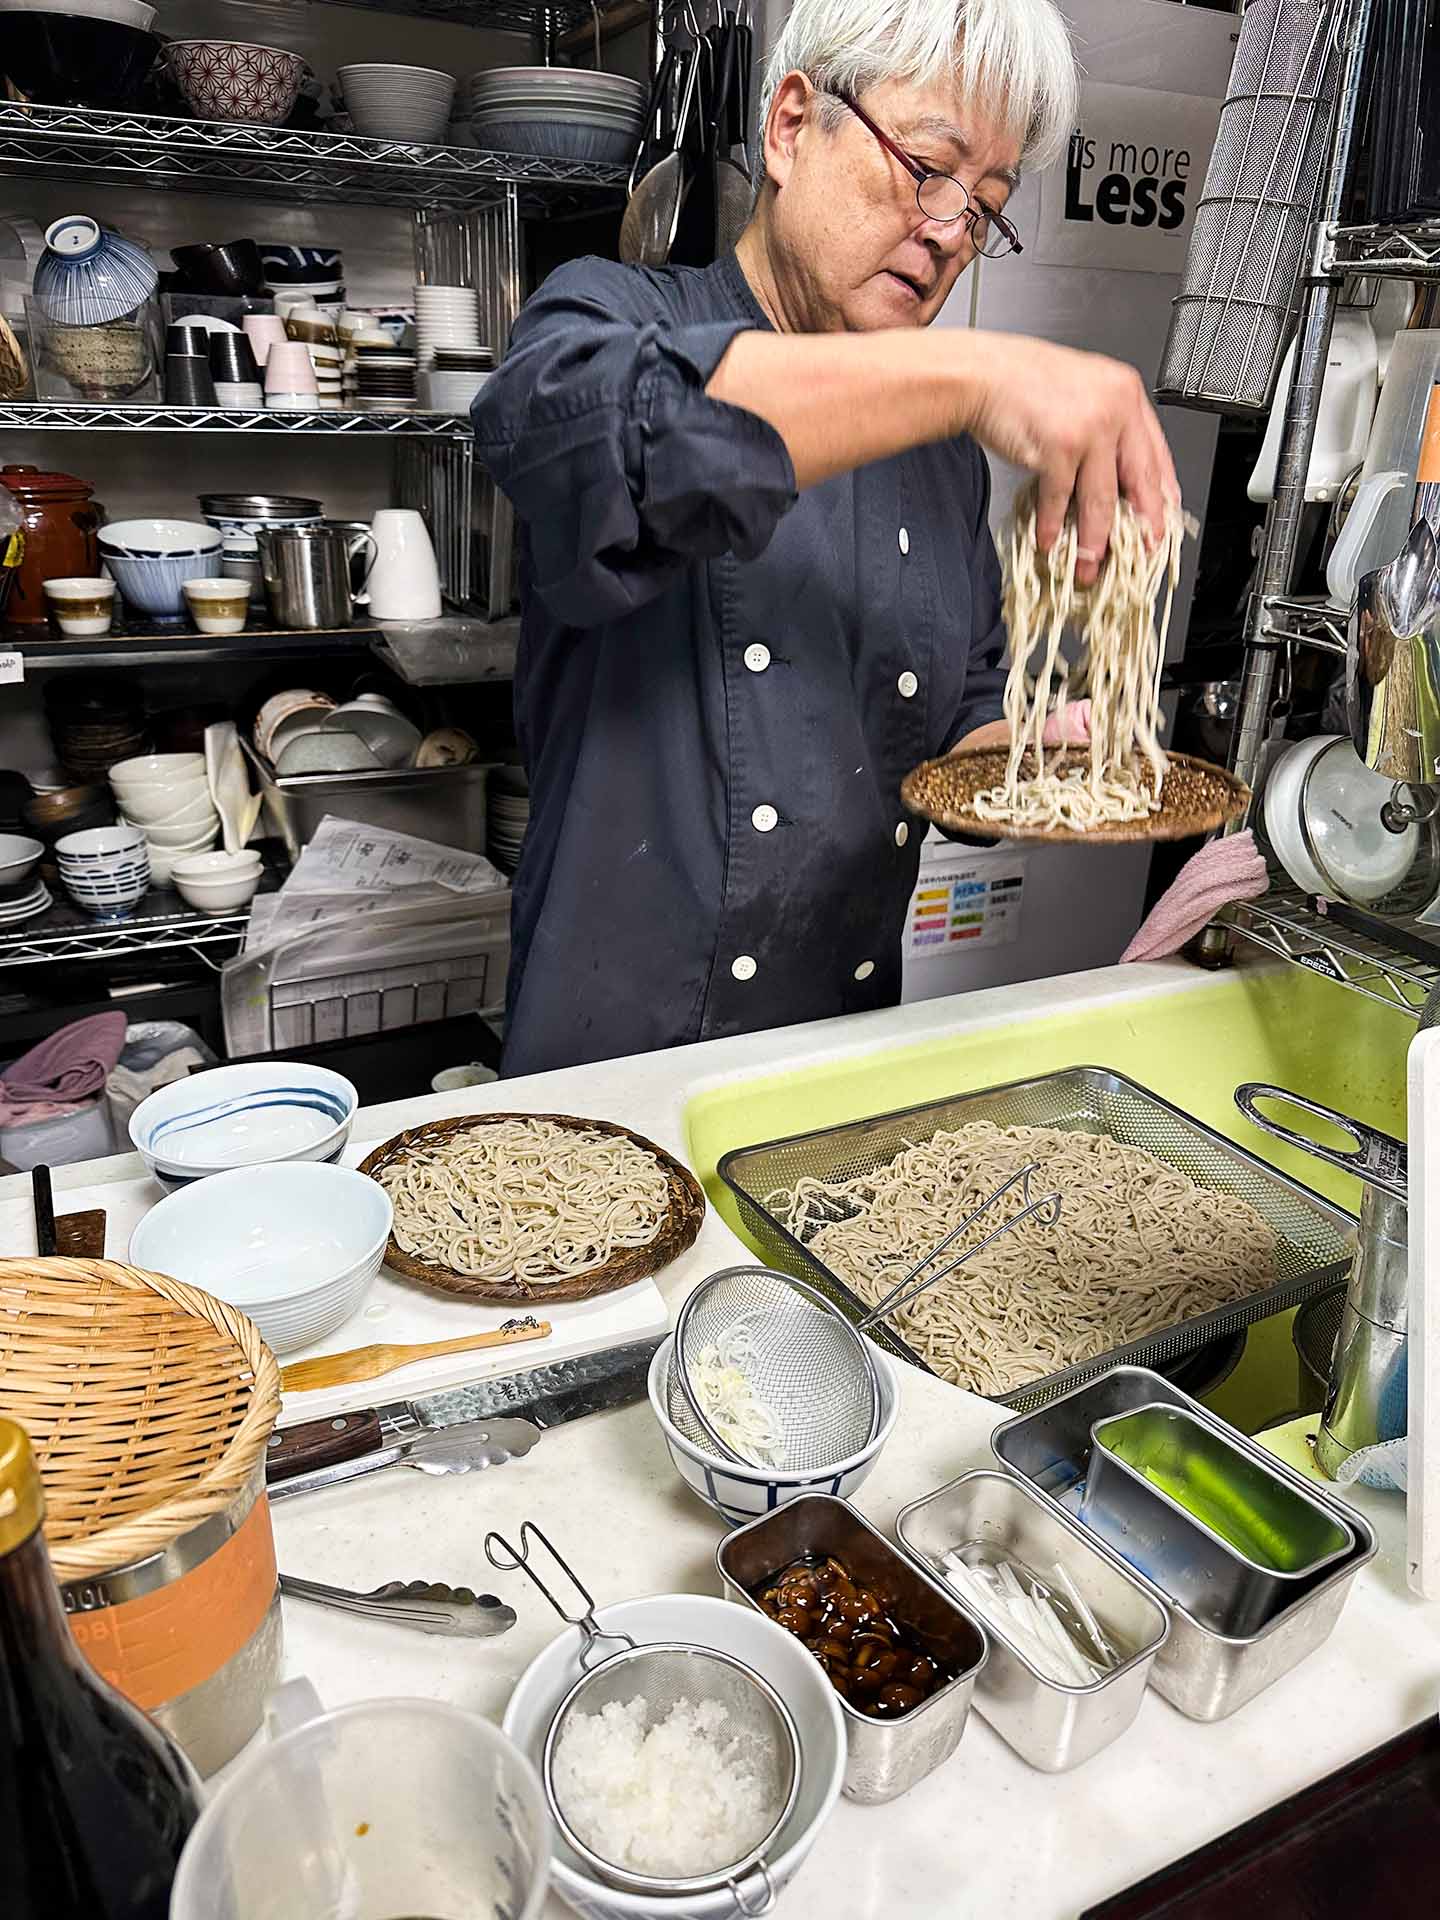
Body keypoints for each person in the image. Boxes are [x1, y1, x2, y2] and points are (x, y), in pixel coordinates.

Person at [474, 0, 1179, 1077]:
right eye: (927, 168)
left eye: (985, 206)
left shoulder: (945, 460)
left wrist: (1037, 756)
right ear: (795, 126)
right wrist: (976, 371)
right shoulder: (613, 315)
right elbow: (574, 431)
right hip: (606, 1077)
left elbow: (963, 719)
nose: (950, 233)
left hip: (833, 1074)